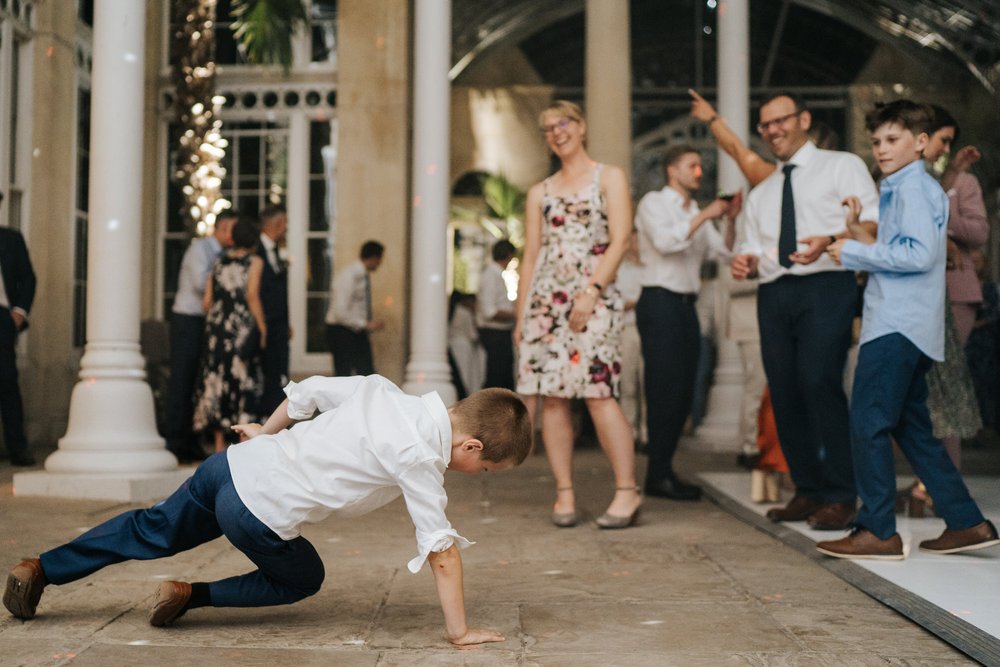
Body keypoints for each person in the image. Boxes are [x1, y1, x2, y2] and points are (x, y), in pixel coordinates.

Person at [2, 375, 532, 647]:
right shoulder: (421, 457)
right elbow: (441, 551)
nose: (475, 478)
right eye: (484, 472)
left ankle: (42, 568)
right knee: (304, 575)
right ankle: (190, 595)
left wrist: (264, 431)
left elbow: (311, 392)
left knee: (151, 529)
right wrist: (459, 633)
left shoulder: (383, 392)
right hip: (254, 510)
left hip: (230, 466)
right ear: (472, 448)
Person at [818, 100, 999, 560]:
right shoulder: (903, 186)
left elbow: (918, 256)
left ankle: (878, 530)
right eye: (877, 141)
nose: (881, 149)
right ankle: (967, 522)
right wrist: (854, 235)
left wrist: (854, 254)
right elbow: (907, 249)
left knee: (868, 421)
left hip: (897, 323)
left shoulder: (913, 188)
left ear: (920, 143)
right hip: (909, 324)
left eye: (892, 139)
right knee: (913, 429)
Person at [731, 92, 879, 531]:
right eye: (765, 125)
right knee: (783, 390)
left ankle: (840, 493)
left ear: (804, 120)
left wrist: (829, 240)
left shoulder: (842, 165)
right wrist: (746, 261)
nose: (773, 130)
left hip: (827, 285)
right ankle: (807, 489)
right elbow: (749, 246)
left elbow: (870, 223)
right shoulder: (764, 191)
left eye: (781, 121)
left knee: (819, 381)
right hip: (774, 293)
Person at [515, 100, 641, 529]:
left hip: (596, 297)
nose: (556, 132)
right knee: (552, 398)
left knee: (598, 392)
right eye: (548, 128)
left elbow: (621, 238)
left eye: (563, 123)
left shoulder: (610, 176)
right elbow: (531, 256)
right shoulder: (540, 191)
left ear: (581, 126)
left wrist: (591, 292)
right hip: (546, 303)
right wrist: (521, 316)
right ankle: (564, 492)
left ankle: (627, 490)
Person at [634, 144, 738, 500]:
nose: (699, 172)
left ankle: (663, 471)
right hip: (659, 302)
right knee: (662, 389)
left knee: (682, 392)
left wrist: (730, 219)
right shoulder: (653, 203)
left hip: (686, 307)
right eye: (692, 166)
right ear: (671, 170)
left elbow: (724, 253)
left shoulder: (696, 211)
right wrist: (706, 214)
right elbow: (666, 243)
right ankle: (656, 474)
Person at [164, 210, 237, 462]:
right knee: (182, 380)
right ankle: (174, 441)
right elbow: (198, 284)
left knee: (199, 384)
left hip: (207, 324)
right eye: (233, 230)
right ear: (224, 228)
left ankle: (191, 441)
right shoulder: (200, 249)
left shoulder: (224, 254)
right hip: (188, 320)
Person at [192, 218, 267, 453]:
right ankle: (242, 442)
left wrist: (217, 319)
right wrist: (263, 327)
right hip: (239, 329)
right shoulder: (255, 262)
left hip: (216, 328)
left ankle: (218, 445)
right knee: (241, 379)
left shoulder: (218, 261)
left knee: (216, 380)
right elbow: (252, 295)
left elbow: (206, 302)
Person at [0, 191, 37, 466]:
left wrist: (19, 313)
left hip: (3, 317)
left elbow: (29, 278)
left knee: (7, 382)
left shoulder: (12, 239)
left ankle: (18, 448)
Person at [325, 240, 385, 376]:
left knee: (367, 374)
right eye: (380, 259)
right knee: (344, 376)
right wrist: (365, 324)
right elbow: (340, 312)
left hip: (356, 331)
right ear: (375, 258)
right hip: (341, 332)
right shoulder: (349, 275)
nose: (380, 264)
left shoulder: (362, 276)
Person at [256, 205, 290, 414]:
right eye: (285, 223)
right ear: (276, 224)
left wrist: (286, 322)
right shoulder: (256, 250)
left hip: (279, 323)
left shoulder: (277, 251)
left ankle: (276, 418)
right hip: (263, 324)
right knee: (266, 372)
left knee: (279, 371)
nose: (286, 228)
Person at [616, 231, 646, 451]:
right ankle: (629, 434)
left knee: (648, 383)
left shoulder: (650, 270)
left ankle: (647, 433)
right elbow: (617, 303)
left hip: (648, 329)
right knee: (628, 384)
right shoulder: (619, 271)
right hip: (626, 329)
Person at [476, 240, 516, 389]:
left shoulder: (497, 275)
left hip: (502, 333)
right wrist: (515, 314)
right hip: (494, 334)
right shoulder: (490, 275)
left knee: (503, 377)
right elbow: (489, 312)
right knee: (496, 377)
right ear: (509, 255)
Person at [449, 291, 485, 398]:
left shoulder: (451, 311)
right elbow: (473, 335)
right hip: (465, 347)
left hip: (453, 346)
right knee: (467, 376)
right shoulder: (465, 312)